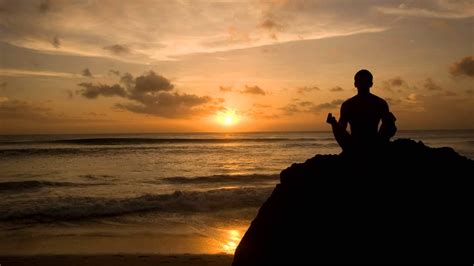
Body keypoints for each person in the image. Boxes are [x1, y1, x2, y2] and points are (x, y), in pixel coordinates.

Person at [327, 69, 396, 154]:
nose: (362, 84)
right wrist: (334, 124)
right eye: (360, 81)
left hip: (375, 144)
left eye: (365, 81)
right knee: (337, 128)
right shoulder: (348, 105)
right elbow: (342, 129)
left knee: (388, 122)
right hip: (353, 145)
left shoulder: (380, 103)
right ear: (355, 84)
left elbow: (389, 130)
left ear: (371, 84)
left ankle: (377, 151)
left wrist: (390, 123)